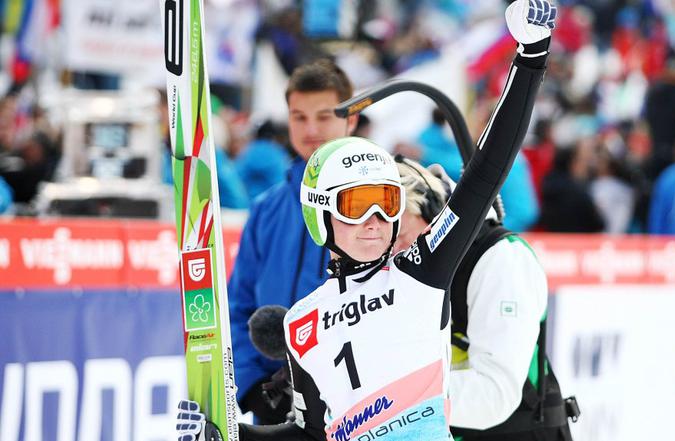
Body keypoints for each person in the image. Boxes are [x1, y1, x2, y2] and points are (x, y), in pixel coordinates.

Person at [178, 1, 556, 439]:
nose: (377, 220)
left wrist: (531, 58)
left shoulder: (421, 271)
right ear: (322, 215)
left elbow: (487, 172)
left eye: (387, 203)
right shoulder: (303, 321)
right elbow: (307, 434)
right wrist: (227, 435)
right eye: (358, 205)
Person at [393, 157, 576, 441]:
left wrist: (390, 399)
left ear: (435, 217)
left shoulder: (500, 261)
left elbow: (494, 393)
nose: (394, 255)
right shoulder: (401, 270)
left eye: (401, 237)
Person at [229, 58, 359, 425]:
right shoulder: (266, 208)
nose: (311, 128)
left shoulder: (377, 203)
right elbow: (239, 306)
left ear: (351, 119)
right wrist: (253, 387)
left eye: (324, 115)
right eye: (299, 116)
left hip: (350, 406)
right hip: (273, 403)